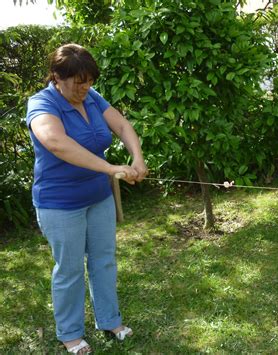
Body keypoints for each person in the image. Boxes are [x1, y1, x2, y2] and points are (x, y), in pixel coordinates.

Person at [26, 44, 148, 354]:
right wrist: (109, 167)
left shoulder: (91, 97)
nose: (85, 87)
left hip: (98, 196)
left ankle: (109, 320)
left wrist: (138, 158)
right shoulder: (42, 104)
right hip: (60, 202)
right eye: (78, 81)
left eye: (89, 80)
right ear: (57, 76)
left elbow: (120, 124)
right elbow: (56, 143)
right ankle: (70, 334)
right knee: (69, 270)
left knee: (103, 261)